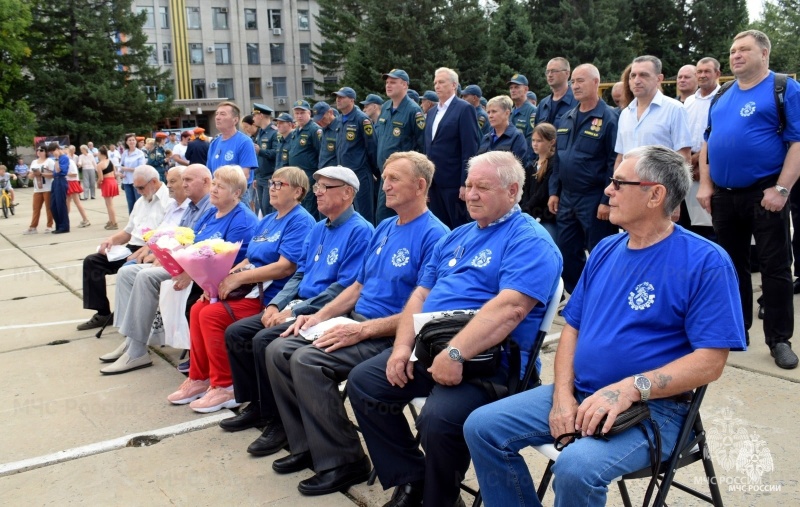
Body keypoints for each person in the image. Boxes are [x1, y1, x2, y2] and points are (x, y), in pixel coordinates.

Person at [464, 145, 746, 507]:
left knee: (576, 467)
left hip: (656, 408)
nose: (608, 190)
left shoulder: (705, 261)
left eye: (619, 183)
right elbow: (572, 329)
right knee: (482, 427)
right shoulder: (605, 249)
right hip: (582, 393)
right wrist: (562, 396)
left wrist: (631, 388)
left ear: (655, 195)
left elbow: (710, 362)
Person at [347, 150, 563, 507]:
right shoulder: (457, 235)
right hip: (435, 348)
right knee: (365, 383)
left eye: (483, 187)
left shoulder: (530, 240)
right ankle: (414, 481)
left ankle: (440, 500)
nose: (470, 195)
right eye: (468, 185)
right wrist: (402, 348)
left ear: (512, 191)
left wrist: (456, 352)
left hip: (492, 364)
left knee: (438, 418)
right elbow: (420, 295)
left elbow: (510, 309)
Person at [264, 152, 449, 496]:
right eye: (385, 178)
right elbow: (357, 287)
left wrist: (361, 329)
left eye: (394, 179)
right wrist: (318, 316)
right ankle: (309, 445)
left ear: (420, 186)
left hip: (387, 333)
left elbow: (425, 310)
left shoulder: (435, 236)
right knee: (277, 350)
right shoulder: (385, 227)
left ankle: (344, 461)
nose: (385, 186)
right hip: (354, 322)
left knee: (307, 361)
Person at [221, 166, 373, 456]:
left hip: (327, 310)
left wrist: (296, 309)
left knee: (264, 340)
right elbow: (300, 273)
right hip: (300, 304)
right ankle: (259, 406)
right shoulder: (319, 228)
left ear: (347, 193)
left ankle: (279, 420)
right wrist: (277, 304)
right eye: (317, 186)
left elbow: (344, 288)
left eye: (325, 187)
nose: (318, 192)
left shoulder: (360, 231)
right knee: (237, 333)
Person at [697, 30, 800, 369]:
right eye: (732, 51)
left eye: (744, 49)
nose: (736, 55)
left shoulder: (783, 88)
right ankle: (736, 330)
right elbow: (708, 141)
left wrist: (781, 189)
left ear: (764, 53)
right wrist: (705, 186)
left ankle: (779, 339)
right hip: (725, 196)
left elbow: (798, 143)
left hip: (765, 193)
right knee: (730, 266)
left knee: (775, 267)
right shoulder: (723, 93)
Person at [163, 165, 261, 411]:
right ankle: (200, 377)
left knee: (207, 313)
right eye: (214, 184)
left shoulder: (242, 219)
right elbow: (194, 246)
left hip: (237, 285)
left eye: (221, 186)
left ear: (236, 193)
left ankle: (225, 385)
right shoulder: (210, 214)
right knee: (197, 310)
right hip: (210, 283)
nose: (214, 190)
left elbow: (240, 260)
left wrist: (210, 282)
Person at [99, 164, 197, 374]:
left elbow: (189, 242)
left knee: (144, 276)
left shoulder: (193, 207)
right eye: (168, 181)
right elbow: (160, 235)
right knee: (126, 272)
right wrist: (152, 250)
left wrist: (161, 255)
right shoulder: (174, 206)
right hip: (161, 257)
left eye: (173, 181)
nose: (168, 186)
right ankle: (131, 341)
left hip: (180, 264)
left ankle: (137, 351)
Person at [549, 63, 620, 294]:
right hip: (567, 198)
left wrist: (606, 200)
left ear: (596, 83)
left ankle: (603, 297)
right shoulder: (566, 117)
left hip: (594, 197)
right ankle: (579, 296)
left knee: (600, 252)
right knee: (566, 252)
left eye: (581, 81)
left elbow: (614, 161)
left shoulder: (609, 118)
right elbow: (558, 159)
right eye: (573, 81)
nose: (575, 86)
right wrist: (554, 191)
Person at [77, 165, 171, 331]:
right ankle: (103, 313)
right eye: (136, 188)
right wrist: (111, 240)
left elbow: (168, 234)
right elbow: (128, 232)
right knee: (92, 262)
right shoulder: (141, 202)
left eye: (141, 187)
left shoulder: (168, 201)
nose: (139, 192)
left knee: (127, 269)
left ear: (154, 182)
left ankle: (133, 318)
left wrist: (149, 248)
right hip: (130, 248)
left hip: (150, 250)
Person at [424, 67, 481, 229]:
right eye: (435, 83)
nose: (437, 86)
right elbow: (427, 148)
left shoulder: (464, 109)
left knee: (458, 227)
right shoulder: (432, 112)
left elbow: (469, 148)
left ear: (454, 85)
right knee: (437, 227)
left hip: (454, 183)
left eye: (441, 82)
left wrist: (465, 182)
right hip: (434, 183)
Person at [375, 69, 426, 223]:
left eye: (393, 82)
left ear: (404, 85)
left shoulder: (413, 110)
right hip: (385, 173)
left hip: (402, 176)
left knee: (401, 216)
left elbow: (422, 145)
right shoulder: (385, 107)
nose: (388, 85)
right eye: (387, 82)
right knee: (382, 216)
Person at [681, 57, 721, 239]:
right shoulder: (689, 102)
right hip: (689, 167)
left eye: (707, 71)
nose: (702, 75)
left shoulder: (723, 98)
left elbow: (717, 135)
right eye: (699, 71)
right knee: (691, 224)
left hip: (711, 164)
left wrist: (698, 161)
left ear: (717, 74)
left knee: (712, 223)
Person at [334, 86, 379, 224]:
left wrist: (374, 171)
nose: (338, 100)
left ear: (352, 100)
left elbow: (372, 147)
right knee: (346, 213)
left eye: (342, 97)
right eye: (337, 97)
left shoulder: (362, 119)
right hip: (344, 175)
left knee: (363, 214)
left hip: (359, 173)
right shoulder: (340, 119)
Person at [207, 101, 260, 209]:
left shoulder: (244, 142)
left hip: (236, 197)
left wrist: (223, 189)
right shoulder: (214, 143)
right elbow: (209, 173)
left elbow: (245, 175)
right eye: (217, 114)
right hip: (216, 196)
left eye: (223, 114)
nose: (217, 117)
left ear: (235, 120)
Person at [521, 123, 559, 240]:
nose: (535, 144)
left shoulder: (554, 165)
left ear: (551, 142)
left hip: (546, 217)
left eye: (539, 141)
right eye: (533, 140)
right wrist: (523, 210)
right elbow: (525, 191)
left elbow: (542, 194)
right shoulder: (531, 165)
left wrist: (526, 210)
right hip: (528, 214)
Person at [287, 100, 323, 219]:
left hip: (309, 176)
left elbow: (321, 153)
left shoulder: (314, 130)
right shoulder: (296, 131)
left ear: (309, 113)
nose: (299, 116)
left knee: (309, 208)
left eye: (302, 113)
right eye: (296, 113)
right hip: (297, 177)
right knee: (299, 205)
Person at [476, 95, 527, 163]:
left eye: (494, 111)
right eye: (488, 112)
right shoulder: (486, 138)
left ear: (507, 113)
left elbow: (521, 165)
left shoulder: (516, 137)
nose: (490, 116)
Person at [535, 58, 579, 128]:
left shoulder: (577, 102)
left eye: (554, 71)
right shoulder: (543, 104)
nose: (549, 75)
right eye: (547, 72)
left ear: (567, 73)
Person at [253, 103, 279, 217]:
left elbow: (277, 153)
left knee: (268, 207)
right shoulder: (260, 132)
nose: (253, 118)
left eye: (255, 115)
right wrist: (255, 176)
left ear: (261, 116)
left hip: (269, 176)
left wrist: (261, 151)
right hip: (260, 176)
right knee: (263, 208)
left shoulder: (274, 132)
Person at [508, 74, 537, 167]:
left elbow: (532, 141)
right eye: (511, 88)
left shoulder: (532, 111)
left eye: (516, 87)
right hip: (510, 163)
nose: (513, 90)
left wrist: (527, 165)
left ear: (526, 89)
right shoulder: (510, 112)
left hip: (524, 164)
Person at [23, 145, 54, 234]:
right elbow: (30, 175)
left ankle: (49, 226)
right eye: (38, 150)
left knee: (49, 208)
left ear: (45, 152)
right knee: (36, 208)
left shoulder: (49, 161)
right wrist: (32, 175)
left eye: (41, 150)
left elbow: (53, 174)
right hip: (37, 188)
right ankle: (33, 227)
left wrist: (41, 174)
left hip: (47, 188)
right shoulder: (34, 162)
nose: (39, 152)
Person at [120, 133, 146, 214]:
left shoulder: (140, 153)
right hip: (127, 181)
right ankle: (131, 218)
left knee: (138, 201)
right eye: (129, 140)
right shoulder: (125, 153)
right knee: (130, 202)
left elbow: (141, 168)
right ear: (126, 142)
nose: (131, 142)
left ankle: (140, 218)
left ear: (136, 141)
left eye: (133, 140)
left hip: (136, 180)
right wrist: (120, 172)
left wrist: (127, 169)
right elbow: (121, 165)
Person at [95, 147, 120, 230]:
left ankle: (114, 222)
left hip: (107, 183)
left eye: (98, 153)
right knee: (109, 203)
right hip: (113, 181)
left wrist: (98, 184)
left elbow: (101, 178)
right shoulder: (110, 161)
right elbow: (115, 173)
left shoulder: (99, 165)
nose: (97, 154)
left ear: (101, 153)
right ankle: (111, 220)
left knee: (109, 204)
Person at [47, 143, 70, 234]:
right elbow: (55, 171)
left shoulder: (64, 158)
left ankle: (64, 226)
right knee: (53, 205)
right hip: (55, 181)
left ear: (57, 149)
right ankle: (59, 225)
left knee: (60, 205)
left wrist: (56, 159)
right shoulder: (58, 158)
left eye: (53, 152)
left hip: (61, 180)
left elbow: (59, 170)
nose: (53, 154)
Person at [65, 153, 90, 227]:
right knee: (67, 202)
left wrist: (64, 173)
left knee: (76, 202)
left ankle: (85, 219)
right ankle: (65, 219)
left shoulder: (70, 162)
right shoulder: (66, 162)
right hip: (68, 182)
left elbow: (74, 174)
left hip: (72, 182)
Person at [314, 101, 339, 169]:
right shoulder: (324, 128)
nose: (319, 122)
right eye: (317, 119)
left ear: (330, 112)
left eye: (323, 118)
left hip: (335, 171)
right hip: (323, 169)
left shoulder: (340, 127)